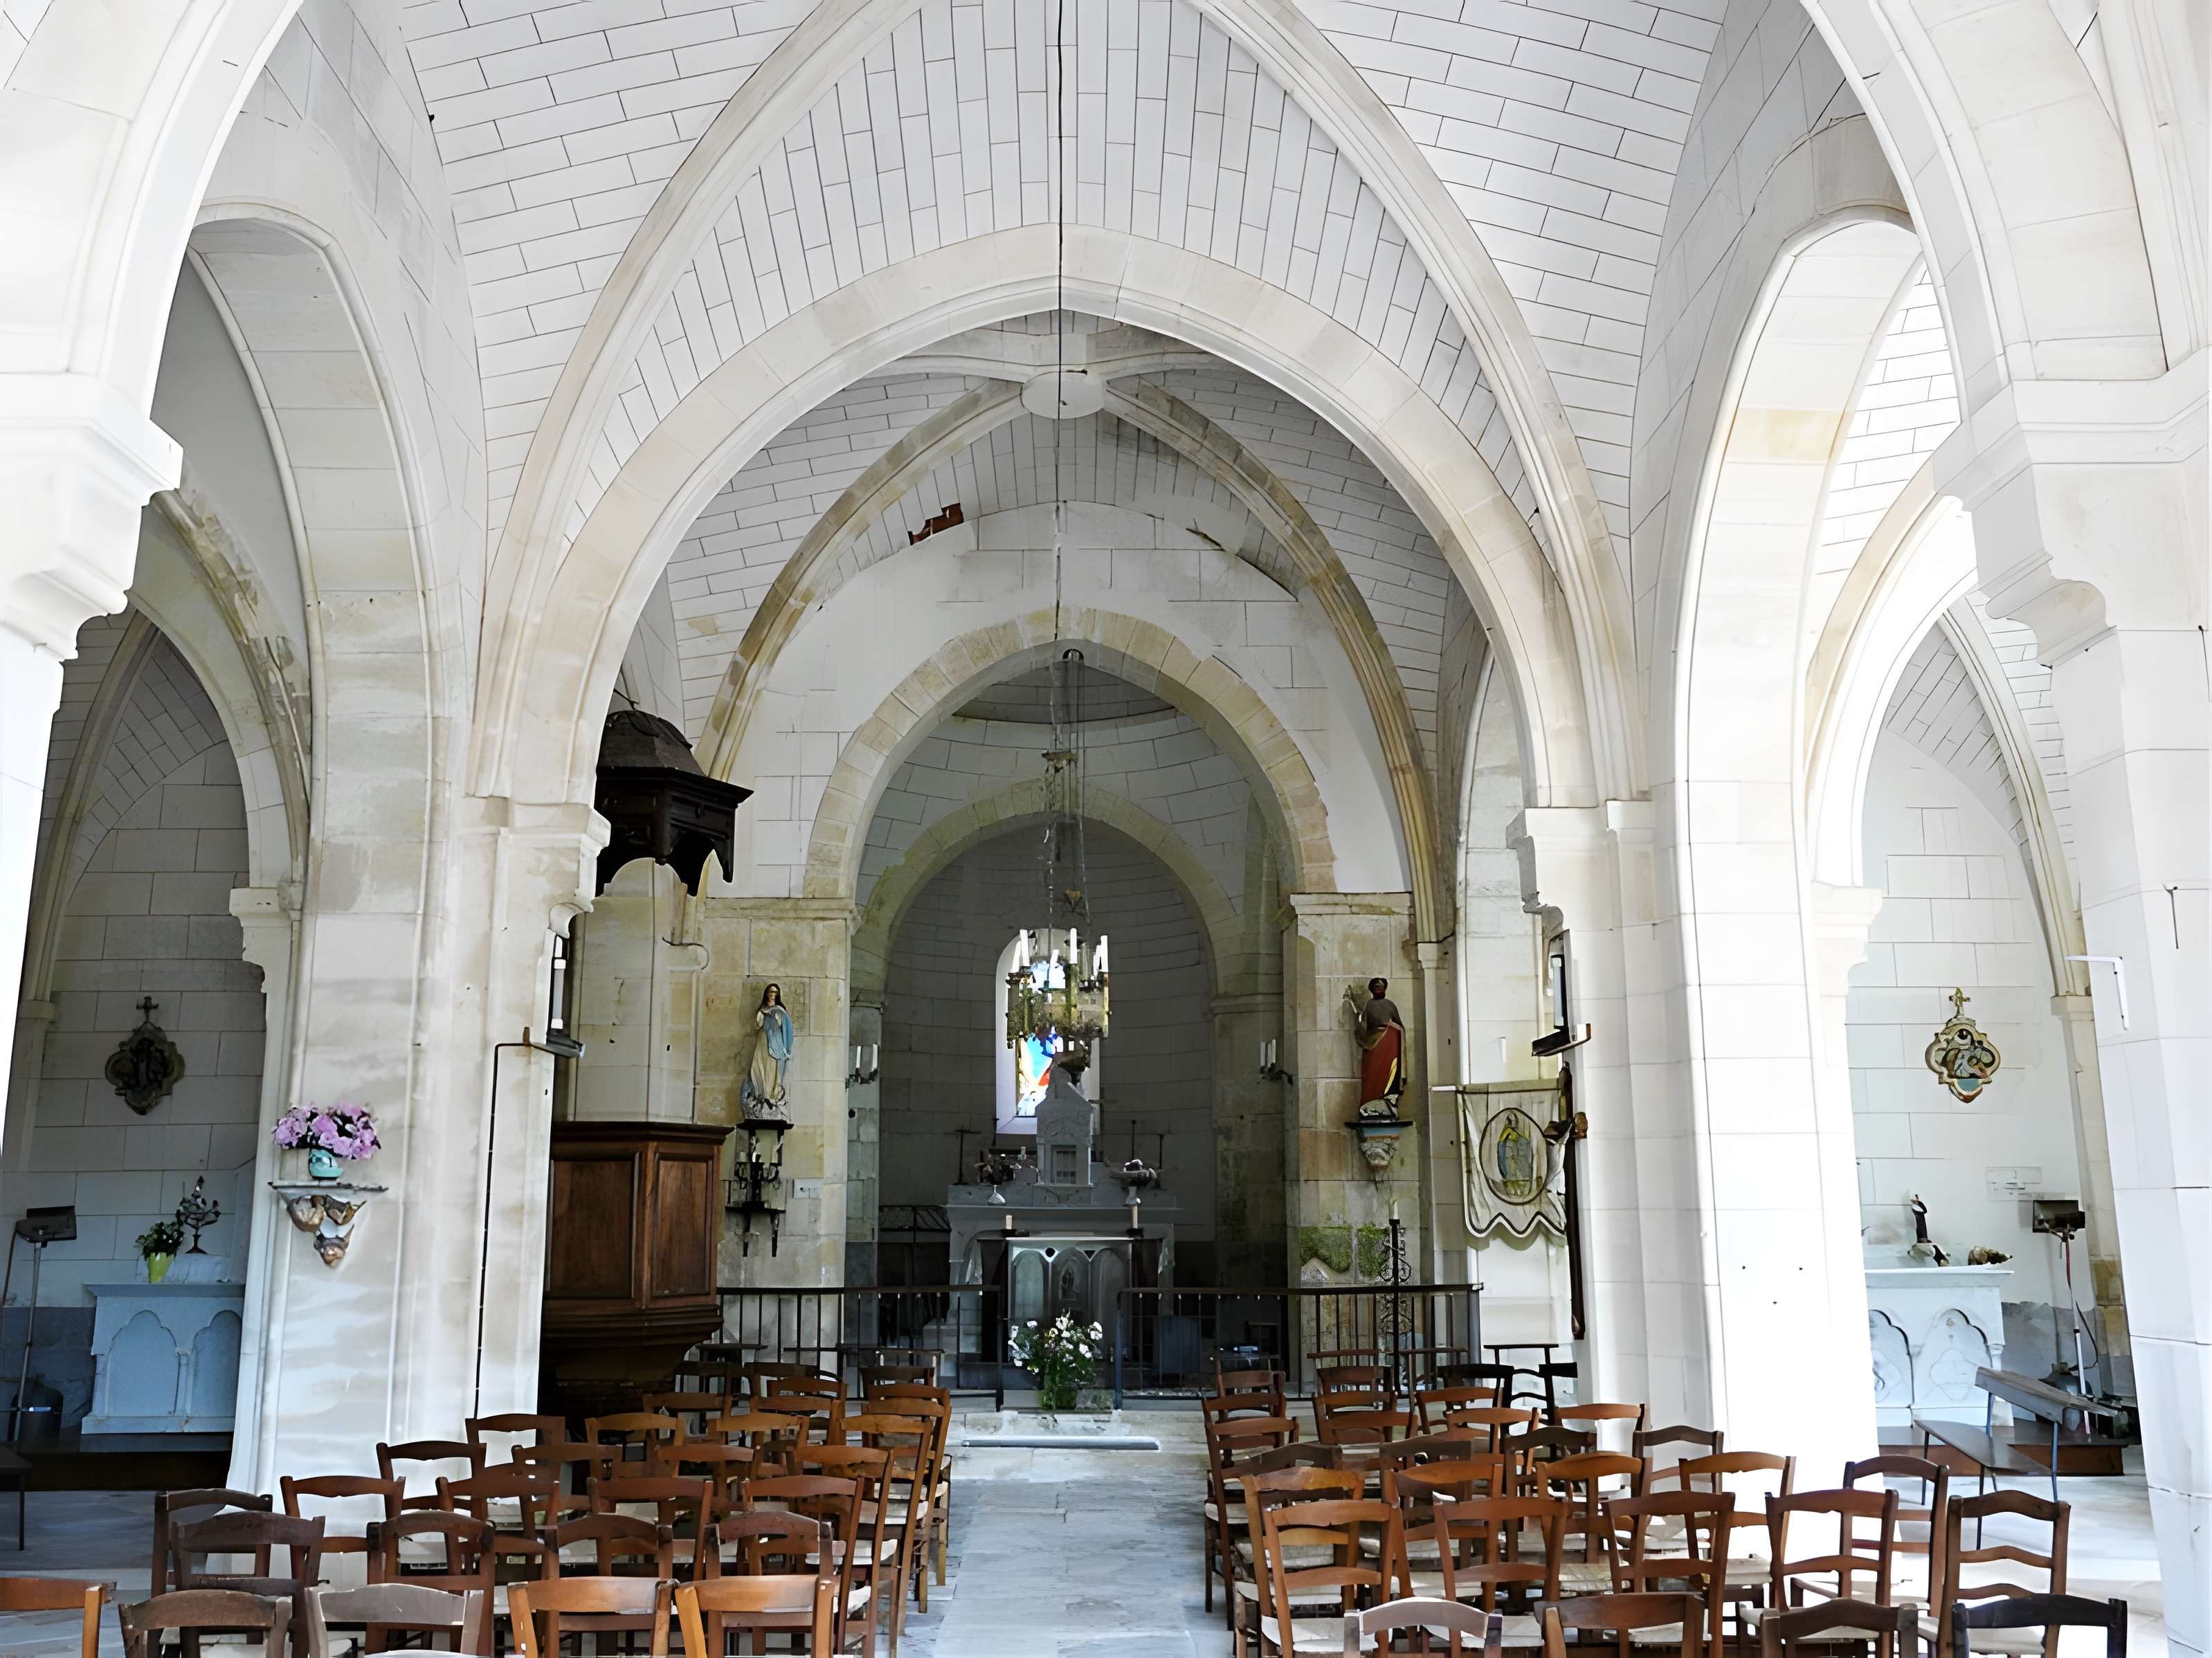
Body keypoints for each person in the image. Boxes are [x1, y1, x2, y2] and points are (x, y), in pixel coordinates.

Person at [1345, 977, 1406, 1110]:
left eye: (1382, 987)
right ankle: (1372, 1099)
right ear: (1372, 990)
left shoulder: (1390, 1005)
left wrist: (1392, 1027)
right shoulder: (1370, 1005)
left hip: (1390, 1042)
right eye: (1377, 987)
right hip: (1372, 1042)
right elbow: (1364, 1024)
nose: (1380, 989)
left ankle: (1389, 1097)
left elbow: (1399, 1025)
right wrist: (1355, 1015)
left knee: (1389, 1069)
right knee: (1372, 1070)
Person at [743, 983, 793, 1117]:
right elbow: (757, 1025)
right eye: (771, 991)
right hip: (763, 1041)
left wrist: (776, 1017)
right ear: (766, 993)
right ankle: (759, 1095)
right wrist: (764, 1016)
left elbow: (785, 1027)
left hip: (775, 1043)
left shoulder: (780, 1011)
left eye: (775, 992)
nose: (773, 994)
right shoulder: (762, 1010)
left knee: (772, 1069)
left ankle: (771, 1097)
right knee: (758, 1066)